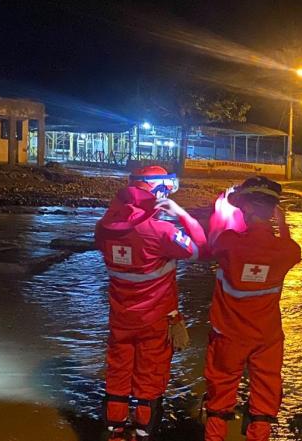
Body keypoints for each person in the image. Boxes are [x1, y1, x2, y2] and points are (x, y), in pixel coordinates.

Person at [95, 165, 206, 441]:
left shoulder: (104, 228)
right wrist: (180, 213)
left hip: (120, 319)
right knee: (149, 379)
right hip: (155, 321)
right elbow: (201, 248)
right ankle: (143, 434)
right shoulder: (162, 231)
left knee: (118, 375)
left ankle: (115, 433)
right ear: (158, 193)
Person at [202, 176, 302, 441]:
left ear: (245, 208)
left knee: (220, 396)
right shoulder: (285, 250)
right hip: (266, 338)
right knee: (264, 399)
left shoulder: (229, 242)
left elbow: (211, 245)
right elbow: (294, 250)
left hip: (228, 335)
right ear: (272, 211)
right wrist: (282, 225)